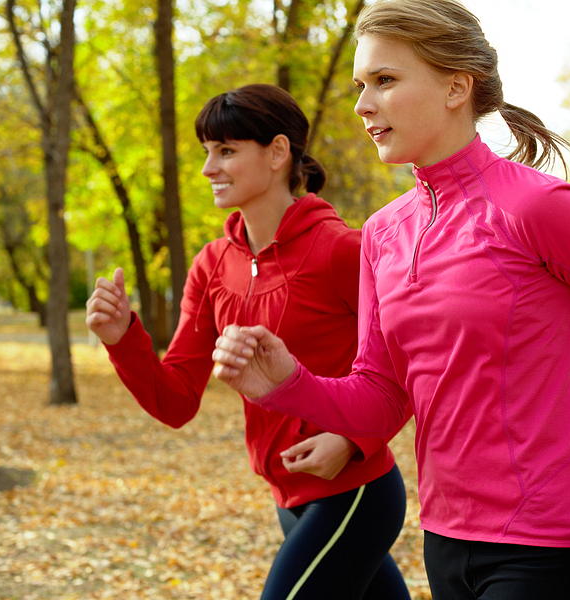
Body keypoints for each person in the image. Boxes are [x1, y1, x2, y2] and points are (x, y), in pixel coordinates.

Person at [210, 2, 570, 599]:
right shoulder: (384, 234)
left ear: (455, 87)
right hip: (443, 540)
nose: (363, 105)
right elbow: (383, 396)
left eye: (385, 81)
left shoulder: (540, 207)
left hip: (547, 544)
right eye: (362, 85)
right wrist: (288, 381)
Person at [85, 83, 410, 600]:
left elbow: (408, 366)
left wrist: (354, 439)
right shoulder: (211, 266)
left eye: (227, 151)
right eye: (207, 152)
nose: (208, 168)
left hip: (357, 490)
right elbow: (175, 402)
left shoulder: (344, 252)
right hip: (289, 497)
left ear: (278, 152)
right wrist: (122, 338)